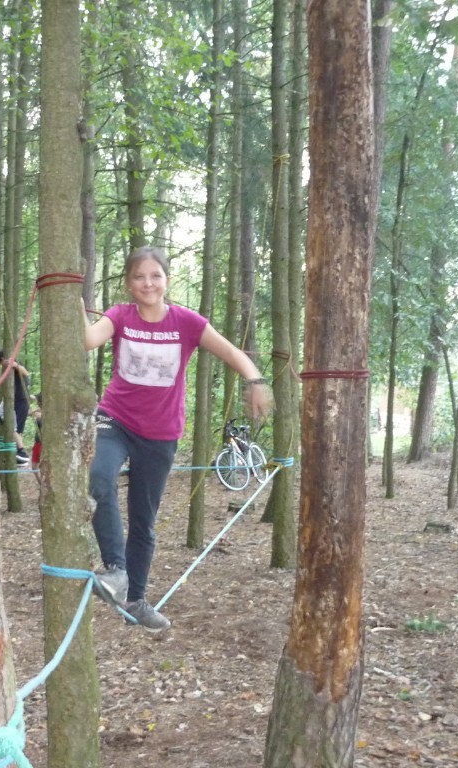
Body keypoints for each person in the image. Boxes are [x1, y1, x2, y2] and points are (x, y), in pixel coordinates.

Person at [84, 245, 272, 632]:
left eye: (155, 276)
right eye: (139, 277)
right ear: (129, 283)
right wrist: (71, 298)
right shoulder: (119, 315)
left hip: (160, 433)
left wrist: (255, 381)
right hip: (115, 418)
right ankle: (116, 570)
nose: (148, 283)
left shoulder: (186, 322)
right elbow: (88, 340)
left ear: (166, 280)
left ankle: (135, 601)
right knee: (99, 477)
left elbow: (232, 352)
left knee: (144, 519)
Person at [0, 351, 31, 466]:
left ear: (3, 359)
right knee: (0, 416)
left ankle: (21, 452)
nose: (2, 365)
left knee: (16, 428)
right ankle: (17, 449)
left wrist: (15, 365)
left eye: (1, 363)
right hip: (12, 400)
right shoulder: (8, 370)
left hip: (20, 400)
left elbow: (26, 373)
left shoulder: (17, 366)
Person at [30, 392, 43, 474]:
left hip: (43, 443)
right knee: (34, 467)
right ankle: (40, 482)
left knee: (42, 466)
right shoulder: (39, 410)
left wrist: (41, 416)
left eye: (38, 401)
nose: (37, 402)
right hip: (38, 442)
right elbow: (29, 413)